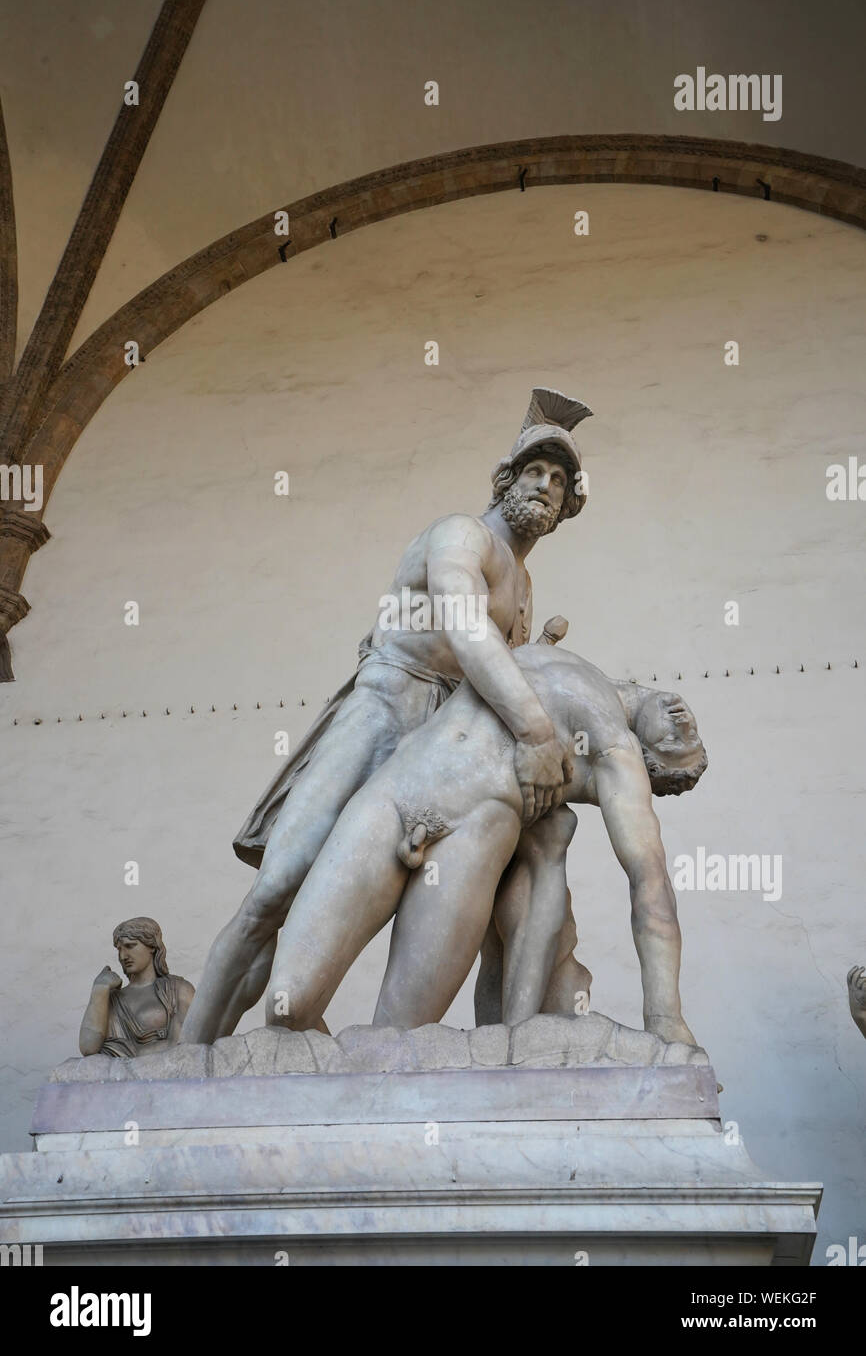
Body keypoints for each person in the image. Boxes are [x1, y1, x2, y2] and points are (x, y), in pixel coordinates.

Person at [182, 389, 592, 1044]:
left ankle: (505, 1048)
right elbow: (462, 627)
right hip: (387, 704)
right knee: (279, 887)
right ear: (506, 478)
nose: (545, 487)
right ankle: (191, 1049)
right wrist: (535, 727)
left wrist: (536, 676)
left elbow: (494, 671)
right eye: (535, 472)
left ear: (568, 506)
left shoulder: (522, 585)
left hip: (446, 741)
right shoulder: (463, 534)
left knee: (499, 884)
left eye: (559, 481)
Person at [263, 643, 708, 1045]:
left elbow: (649, 879)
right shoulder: (552, 653)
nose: (684, 723)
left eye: (677, 744)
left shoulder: (615, 751)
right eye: (692, 734)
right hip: (393, 797)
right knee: (287, 1006)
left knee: (392, 1044)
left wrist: (664, 1015)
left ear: (651, 766)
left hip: (465, 843)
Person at [79, 917, 195, 1057]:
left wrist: (129, 1053)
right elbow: (88, 1048)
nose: (123, 956)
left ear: (152, 946)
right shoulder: (112, 999)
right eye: (119, 949)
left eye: (130, 946)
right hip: (119, 1072)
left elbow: (184, 1043)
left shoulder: (178, 989)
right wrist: (99, 989)